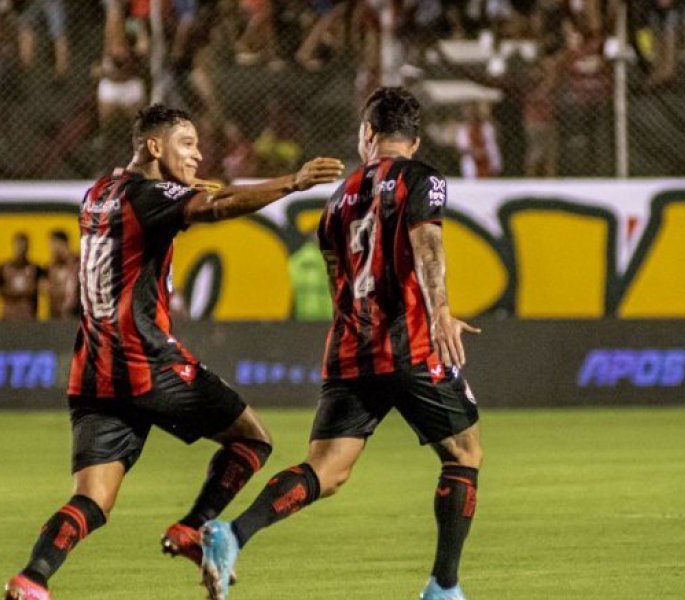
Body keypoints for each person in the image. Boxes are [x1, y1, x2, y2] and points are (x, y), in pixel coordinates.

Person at [2, 104, 343, 600]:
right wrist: (292, 182)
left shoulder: (97, 193)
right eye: (188, 143)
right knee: (253, 440)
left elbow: (165, 207)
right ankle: (194, 527)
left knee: (92, 501)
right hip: (144, 361)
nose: (198, 153)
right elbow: (214, 208)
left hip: (92, 370)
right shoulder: (149, 195)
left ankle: (31, 579)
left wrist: (186, 189)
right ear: (155, 147)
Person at [200, 87, 484, 600]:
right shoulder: (422, 180)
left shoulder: (337, 199)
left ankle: (232, 533)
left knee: (327, 470)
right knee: (464, 454)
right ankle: (443, 587)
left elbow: (339, 279)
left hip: (351, 349)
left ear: (368, 134)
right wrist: (440, 307)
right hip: (412, 344)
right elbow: (428, 242)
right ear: (414, 142)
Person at [0, 232, 44, 321]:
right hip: (7, 317)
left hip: (28, 317)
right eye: (19, 246)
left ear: (28, 247)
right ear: (14, 246)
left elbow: (41, 288)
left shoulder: (36, 269)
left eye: (24, 246)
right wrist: (16, 293)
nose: (21, 249)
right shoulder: (2, 268)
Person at [45, 230, 79, 320]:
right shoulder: (52, 265)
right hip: (55, 315)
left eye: (52, 244)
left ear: (60, 243)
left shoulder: (78, 262)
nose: (50, 248)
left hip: (75, 315)